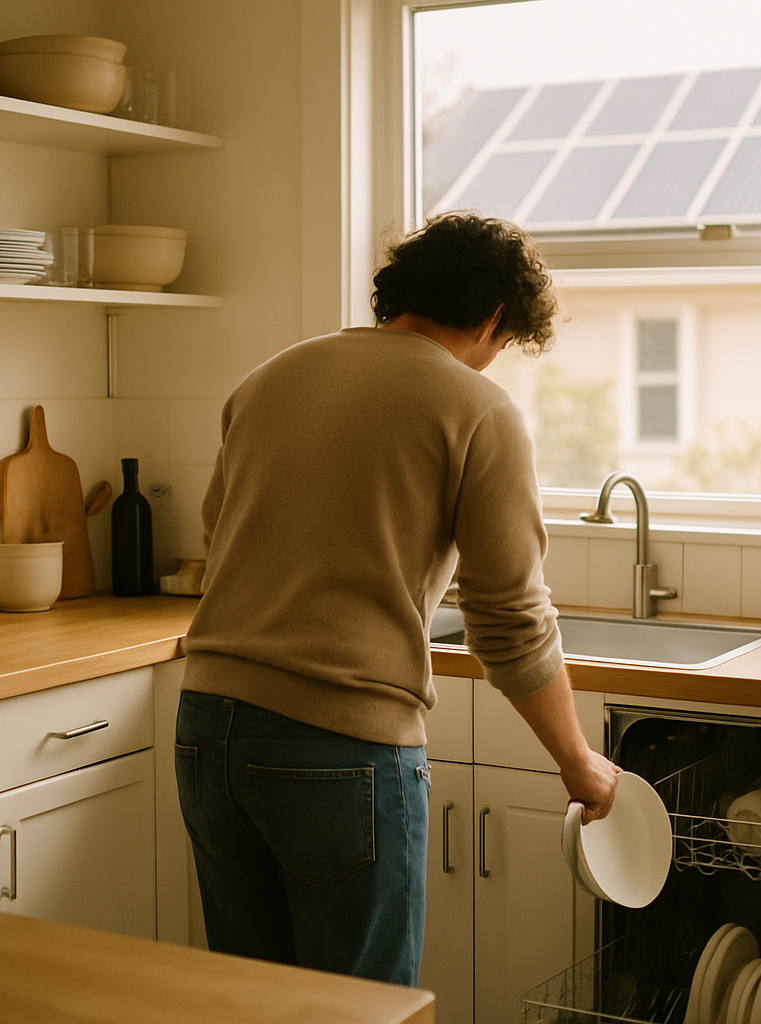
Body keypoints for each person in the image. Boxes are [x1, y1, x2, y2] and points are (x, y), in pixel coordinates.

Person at [175, 211, 620, 987]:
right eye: (505, 343)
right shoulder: (478, 411)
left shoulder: (269, 378)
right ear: (491, 319)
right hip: (339, 749)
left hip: (206, 729)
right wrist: (580, 764)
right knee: (364, 1007)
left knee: (251, 1003)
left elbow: (221, 532)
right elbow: (510, 624)